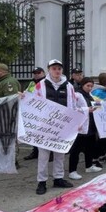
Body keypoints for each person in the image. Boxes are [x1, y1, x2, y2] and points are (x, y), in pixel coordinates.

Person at [30, 59, 75, 195]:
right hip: (44, 126)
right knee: (43, 155)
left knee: (60, 154)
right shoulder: (40, 85)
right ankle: (42, 181)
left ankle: (58, 178)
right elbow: (31, 101)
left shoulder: (69, 86)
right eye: (54, 68)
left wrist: (73, 123)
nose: (57, 71)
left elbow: (72, 105)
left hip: (62, 126)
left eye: (59, 69)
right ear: (49, 70)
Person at [68, 77, 102, 180]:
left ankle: (89, 165)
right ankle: (72, 171)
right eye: (88, 86)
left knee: (90, 147)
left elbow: (96, 105)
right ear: (82, 85)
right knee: (76, 149)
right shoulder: (77, 95)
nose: (90, 88)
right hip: (81, 126)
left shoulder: (90, 95)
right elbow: (73, 108)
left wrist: (99, 104)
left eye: (91, 86)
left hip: (91, 125)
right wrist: (88, 109)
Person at [23, 67, 47, 161]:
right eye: (35, 73)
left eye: (38, 72)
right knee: (35, 132)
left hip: (44, 110)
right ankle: (35, 151)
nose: (36, 74)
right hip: (34, 110)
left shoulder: (46, 82)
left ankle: (51, 153)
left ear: (43, 73)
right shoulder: (32, 83)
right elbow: (28, 93)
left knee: (46, 133)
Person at [91, 72, 106, 165]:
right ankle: (95, 158)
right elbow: (96, 104)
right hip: (102, 119)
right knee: (101, 140)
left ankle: (102, 155)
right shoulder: (98, 92)